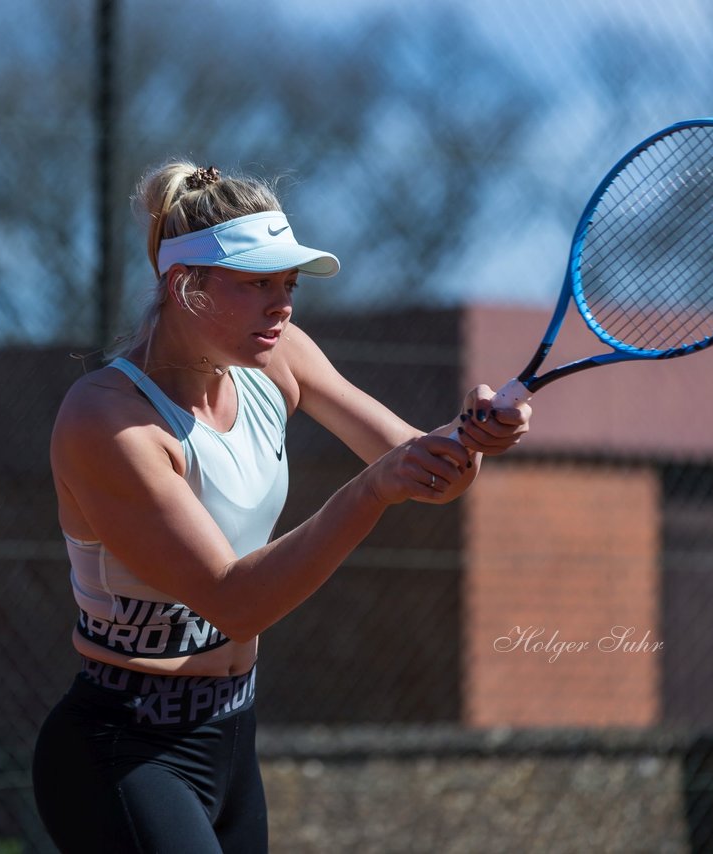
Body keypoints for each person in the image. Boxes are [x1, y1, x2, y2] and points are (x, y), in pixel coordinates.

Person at [32, 161, 531, 853]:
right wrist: (369, 490)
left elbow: (427, 471)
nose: (282, 305)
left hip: (231, 736)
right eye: (256, 283)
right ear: (186, 286)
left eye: (288, 284)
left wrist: (474, 437)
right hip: (123, 751)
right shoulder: (108, 421)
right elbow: (234, 603)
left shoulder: (281, 356)